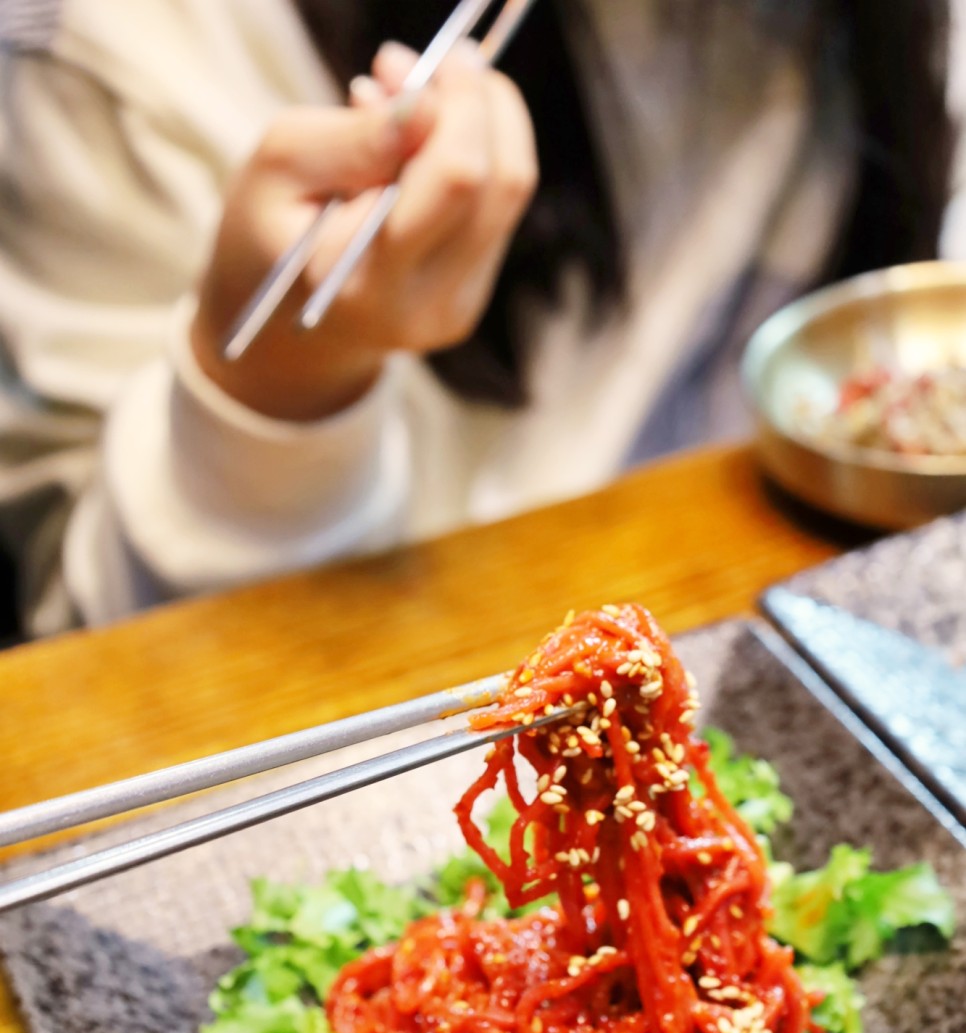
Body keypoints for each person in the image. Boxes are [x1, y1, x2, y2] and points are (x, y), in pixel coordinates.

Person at [0, 0, 958, 636]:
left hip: (792, 628)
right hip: (372, 727)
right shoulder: (122, 47)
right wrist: (272, 391)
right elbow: (90, 657)